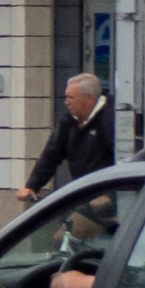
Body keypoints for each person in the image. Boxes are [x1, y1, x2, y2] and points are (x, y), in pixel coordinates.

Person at [19, 74, 114, 202]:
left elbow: (125, 158)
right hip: (85, 194)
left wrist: (111, 195)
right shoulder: (68, 121)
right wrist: (32, 186)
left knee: (75, 222)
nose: (66, 102)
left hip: (111, 197)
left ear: (89, 98)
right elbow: (51, 155)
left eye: (71, 97)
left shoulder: (111, 118)